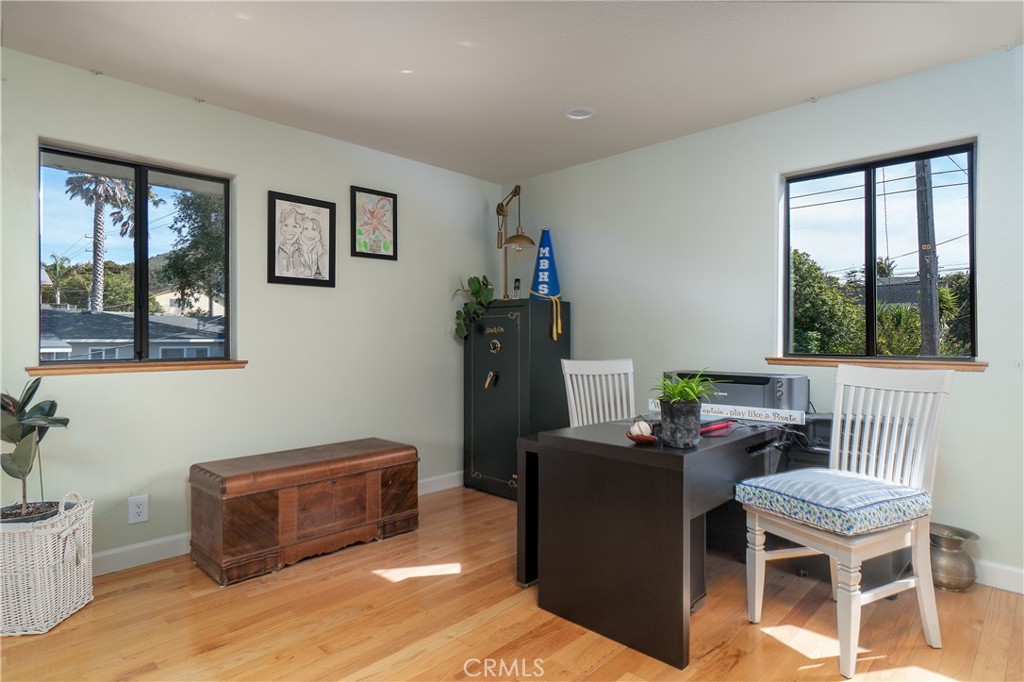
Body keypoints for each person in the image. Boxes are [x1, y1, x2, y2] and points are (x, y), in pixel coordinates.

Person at [276, 206, 303, 276]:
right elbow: (279, 272)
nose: (290, 230)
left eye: (295, 226)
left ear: (301, 229)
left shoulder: (301, 249)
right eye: (286, 225)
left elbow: (308, 270)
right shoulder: (279, 249)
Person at [298, 214, 327, 279]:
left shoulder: (325, 253)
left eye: (314, 229)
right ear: (301, 232)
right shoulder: (296, 252)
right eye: (306, 229)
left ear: (319, 234)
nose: (310, 233)